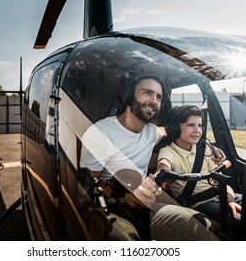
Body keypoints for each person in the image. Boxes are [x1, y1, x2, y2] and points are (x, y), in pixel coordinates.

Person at [80, 73, 225, 240]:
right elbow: (87, 189)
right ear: (129, 96)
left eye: (158, 97)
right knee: (190, 224)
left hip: (148, 197)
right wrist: (123, 197)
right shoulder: (101, 132)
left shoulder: (152, 131)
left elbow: (178, 131)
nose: (154, 100)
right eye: (147, 93)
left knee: (202, 222)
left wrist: (210, 147)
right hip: (117, 203)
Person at [156, 105, 242, 234]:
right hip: (199, 204)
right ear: (174, 129)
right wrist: (161, 173)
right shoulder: (168, 151)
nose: (197, 131)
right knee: (240, 220)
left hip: (222, 196)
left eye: (200, 125)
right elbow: (163, 164)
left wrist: (230, 200)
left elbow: (220, 181)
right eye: (191, 125)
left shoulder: (204, 149)